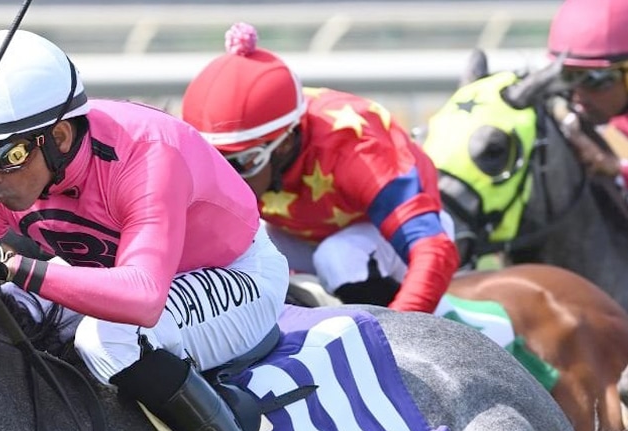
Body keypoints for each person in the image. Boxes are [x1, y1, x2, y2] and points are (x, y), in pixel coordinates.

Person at [0, 29, 306, 431]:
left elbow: (143, 298)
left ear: (58, 137)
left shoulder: (149, 154)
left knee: (106, 340)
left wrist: (14, 267)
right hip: (124, 278)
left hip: (236, 275)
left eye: (6, 155)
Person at [181, 23, 458, 313]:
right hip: (303, 232)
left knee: (338, 256)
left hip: (398, 233)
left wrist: (405, 335)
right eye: (209, 159)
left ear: (285, 144)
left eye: (240, 163)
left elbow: (433, 248)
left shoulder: (356, 150)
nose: (222, 179)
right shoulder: (268, 141)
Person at [545, 0, 628, 322]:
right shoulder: (578, 112)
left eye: (596, 79)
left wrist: (618, 169)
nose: (578, 94)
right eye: (569, 76)